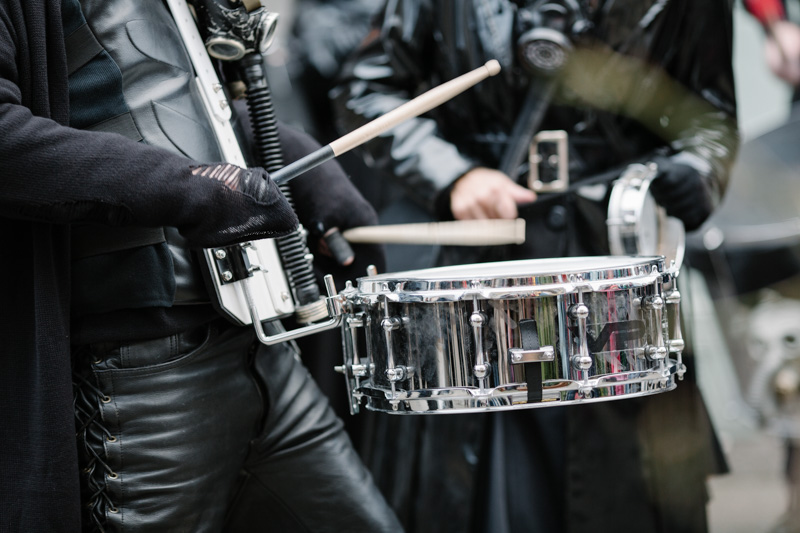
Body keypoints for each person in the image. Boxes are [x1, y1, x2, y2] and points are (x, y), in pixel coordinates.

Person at [332, 1, 739, 532]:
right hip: (478, 286)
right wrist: (452, 175)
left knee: (629, 496)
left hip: (617, 273)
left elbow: (710, 115)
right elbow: (366, 90)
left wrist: (696, 170)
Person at [0, 0, 402, 532]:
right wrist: (190, 190)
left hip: (261, 348)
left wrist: (300, 160)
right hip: (142, 383)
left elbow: (169, 97)